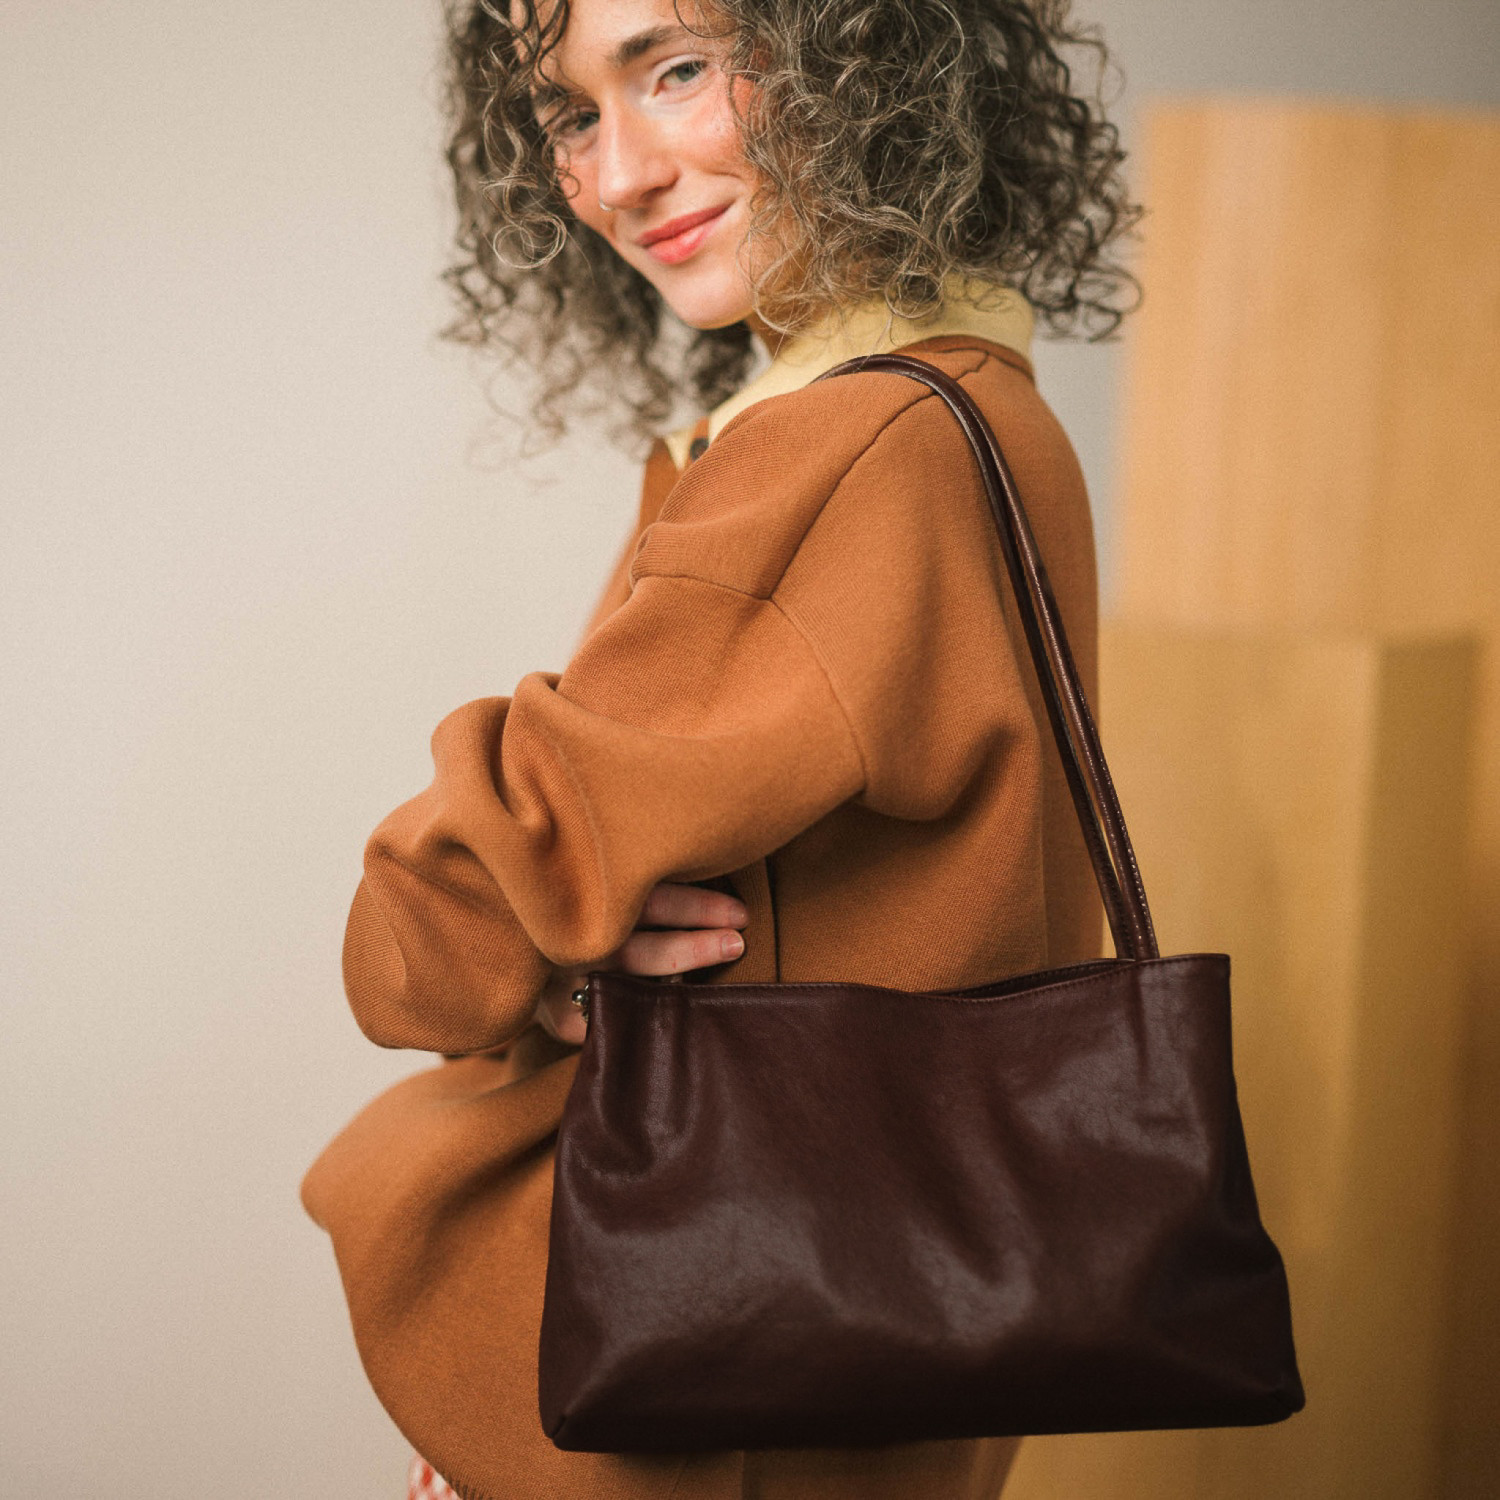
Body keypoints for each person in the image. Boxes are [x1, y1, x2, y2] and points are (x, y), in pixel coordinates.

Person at [300, 0, 1140, 1495]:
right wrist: (575, 946)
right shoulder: (986, 410)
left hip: (690, 1391)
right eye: (570, 115)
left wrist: (519, 942)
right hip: (834, 1350)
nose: (621, 174)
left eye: (677, 69)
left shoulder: (844, 453)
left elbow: (422, 946)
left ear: (865, 56)